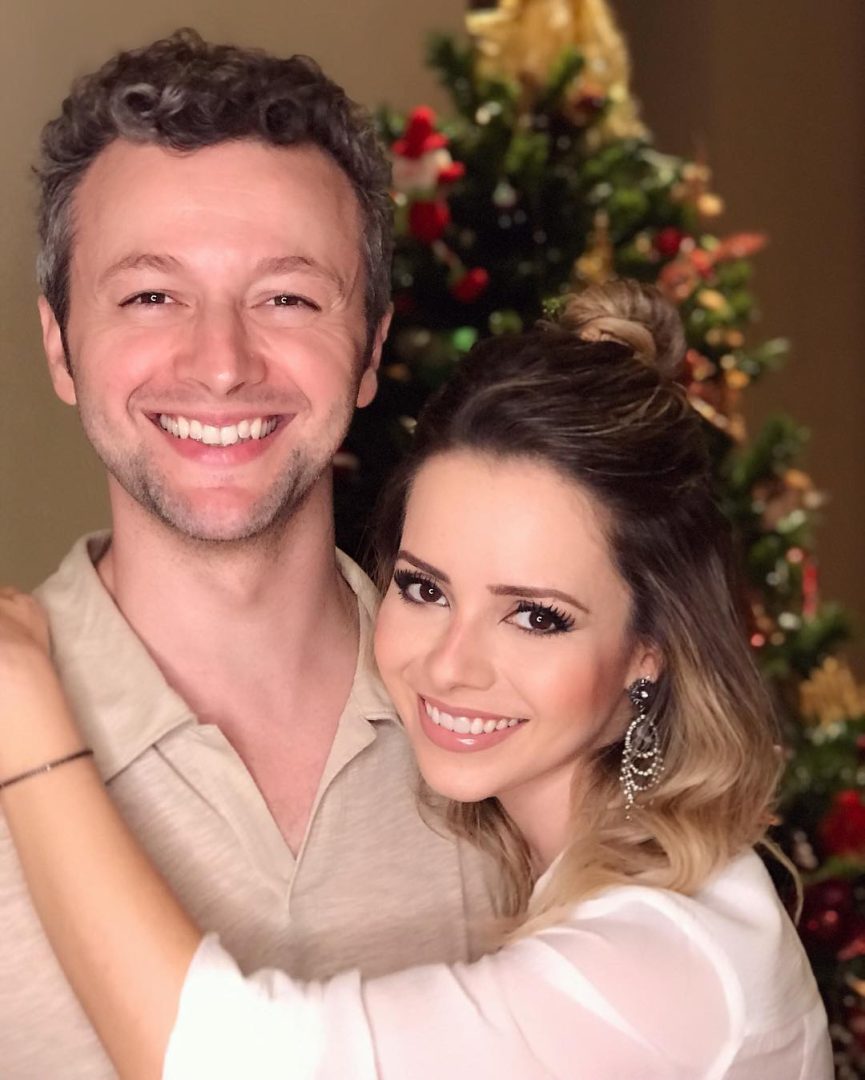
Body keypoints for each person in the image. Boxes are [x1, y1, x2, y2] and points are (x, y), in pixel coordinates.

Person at [0, 281, 832, 1077]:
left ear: (649, 647)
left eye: (535, 616)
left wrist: (29, 721)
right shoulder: (608, 879)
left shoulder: (663, 962)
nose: (448, 664)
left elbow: (226, 1063)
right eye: (425, 590)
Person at [1, 29, 493, 1078]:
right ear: (59, 345)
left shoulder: (525, 723)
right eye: (151, 295)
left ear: (369, 349)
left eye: (287, 297)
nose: (220, 364)